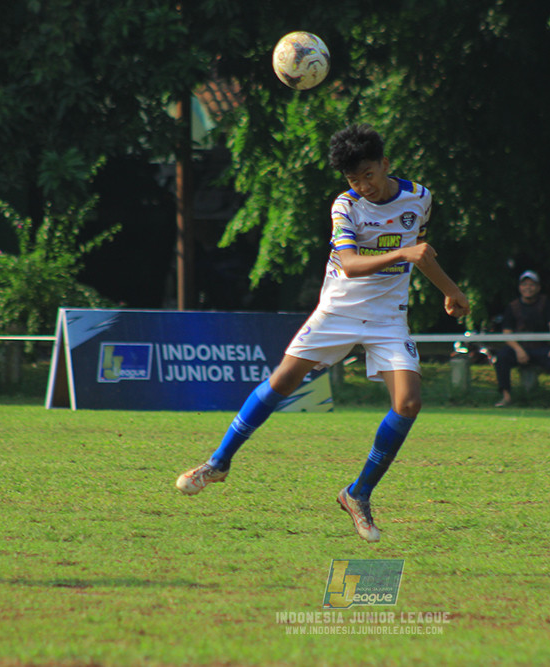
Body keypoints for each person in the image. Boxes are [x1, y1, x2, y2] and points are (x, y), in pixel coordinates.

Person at [175, 124, 470, 543]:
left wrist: (452, 291)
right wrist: (405, 252)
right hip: (339, 309)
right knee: (283, 380)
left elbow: (420, 253)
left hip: (388, 317)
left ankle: (358, 493)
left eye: (369, 174)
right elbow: (349, 264)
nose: (363, 185)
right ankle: (218, 463)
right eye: (354, 180)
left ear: (385, 165)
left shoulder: (419, 198)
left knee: (408, 403)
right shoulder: (345, 206)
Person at [492, 270, 550, 409]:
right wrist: (518, 350)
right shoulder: (512, 306)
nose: (528, 288)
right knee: (501, 357)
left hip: (540, 348)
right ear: (520, 287)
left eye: (532, 284)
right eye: (525, 285)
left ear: (538, 287)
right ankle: (506, 397)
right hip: (519, 348)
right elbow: (506, 333)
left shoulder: (546, 303)